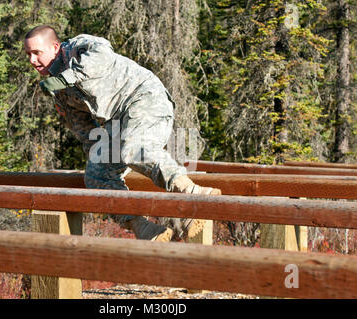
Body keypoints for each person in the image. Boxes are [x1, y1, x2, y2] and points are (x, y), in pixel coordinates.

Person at [23, 25, 221, 242]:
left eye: (36, 53)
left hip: (144, 98)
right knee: (96, 175)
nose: (32, 60)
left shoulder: (78, 47)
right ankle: (144, 228)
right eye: (28, 55)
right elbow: (85, 130)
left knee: (134, 149)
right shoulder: (59, 91)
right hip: (115, 124)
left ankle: (194, 193)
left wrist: (65, 78)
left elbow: (103, 54)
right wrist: (102, 160)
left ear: (54, 47)